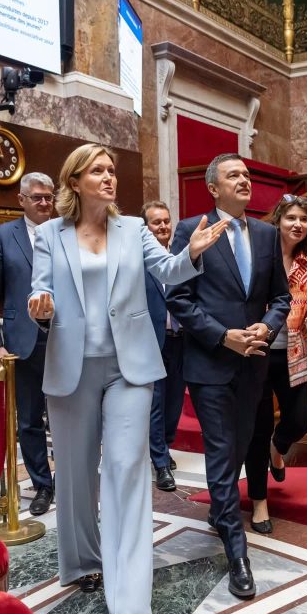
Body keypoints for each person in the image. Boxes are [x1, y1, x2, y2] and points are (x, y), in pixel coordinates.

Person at [27, 144, 228, 614]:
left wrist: (192, 252)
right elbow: (40, 289)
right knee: (76, 474)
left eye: (111, 170)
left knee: (125, 471)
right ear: (74, 181)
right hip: (71, 366)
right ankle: (83, 562)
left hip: (129, 367)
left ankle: (130, 604)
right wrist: (39, 306)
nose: (109, 177)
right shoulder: (50, 234)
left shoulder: (134, 229)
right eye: (97, 170)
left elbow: (169, 271)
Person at [166, 153, 291, 600]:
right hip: (210, 363)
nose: (244, 180)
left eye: (247, 174)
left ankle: (219, 510)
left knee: (238, 447)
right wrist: (222, 337)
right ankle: (237, 552)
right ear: (213, 188)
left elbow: (281, 297)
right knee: (221, 450)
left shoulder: (266, 233)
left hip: (253, 362)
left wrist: (267, 327)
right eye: (233, 175)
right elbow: (178, 298)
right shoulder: (191, 230)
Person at [244, 195, 307, 534]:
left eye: (303, 219)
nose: (298, 224)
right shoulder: (258, 255)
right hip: (258, 351)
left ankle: (278, 449)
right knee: (257, 429)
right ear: (278, 221)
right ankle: (259, 502)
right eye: (291, 218)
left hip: (294, 352)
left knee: (300, 419)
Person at [0, 172, 56, 516]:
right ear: (21, 200)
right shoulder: (2, 237)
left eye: (49, 197)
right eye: (37, 197)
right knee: (29, 419)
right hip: (22, 342)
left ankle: (71, 479)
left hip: (65, 336)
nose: (44, 203)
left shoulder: (67, 233)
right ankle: (42, 485)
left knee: (70, 415)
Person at [141, 200, 186, 492]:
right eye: (156, 222)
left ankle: (165, 447)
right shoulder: (140, 261)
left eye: (166, 221)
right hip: (150, 341)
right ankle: (160, 463)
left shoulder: (181, 256)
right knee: (155, 403)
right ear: (145, 228)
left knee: (175, 402)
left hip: (180, 340)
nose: (163, 226)